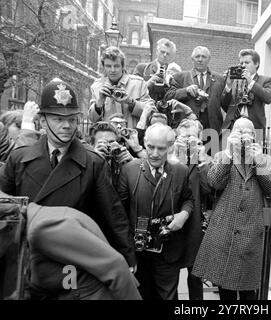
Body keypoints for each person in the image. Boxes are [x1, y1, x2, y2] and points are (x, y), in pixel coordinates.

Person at [0, 78, 136, 269]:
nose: (67, 125)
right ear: (42, 122)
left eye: (71, 119)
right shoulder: (18, 159)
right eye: (58, 119)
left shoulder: (93, 162)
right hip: (28, 258)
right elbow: (4, 209)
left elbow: (112, 213)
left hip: (71, 261)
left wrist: (127, 257)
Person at [192, 117, 271, 300]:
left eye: (247, 132)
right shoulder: (222, 157)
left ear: (255, 136)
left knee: (249, 292)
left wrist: (258, 160)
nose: (243, 136)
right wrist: (227, 152)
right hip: (224, 232)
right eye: (238, 131)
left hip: (250, 234)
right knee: (225, 290)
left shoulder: (265, 160)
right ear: (231, 134)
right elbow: (214, 183)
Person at [0, 190, 141, 300]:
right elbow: (55, 275)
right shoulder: (31, 226)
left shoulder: (42, 229)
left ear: (6, 223)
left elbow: (115, 267)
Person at [118, 123, 194, 300]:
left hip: (168, 252)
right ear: (144, 143)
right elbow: (119, 214)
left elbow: (189, 199)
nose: (154, 153)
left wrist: (184, 214)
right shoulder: (129, 170)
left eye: (161, 148)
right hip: (138, 252)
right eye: (150, 147)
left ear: (170, 147)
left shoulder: (180, 171)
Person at [171, 119, 212, 300]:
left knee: (195, 276)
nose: (188, 141)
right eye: (184, 137)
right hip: (173, 219)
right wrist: (173, 154)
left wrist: (202, 162)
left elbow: (208, 189)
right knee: (170, 275)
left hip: (195, 223)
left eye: (192, 137)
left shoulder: (204, 159)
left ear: (199, 139)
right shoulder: (168, 157)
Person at [165, 46, 230, 134]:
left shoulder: (219, 79)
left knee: (213, 148)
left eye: (204, 57)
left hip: (213, 129)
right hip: (187, 128)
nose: (200, 59)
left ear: (209, 59)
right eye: (197, 57)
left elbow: (226, 105)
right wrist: (185, 91)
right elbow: (168, 97)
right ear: (192, 59)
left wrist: (228, 87)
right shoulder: (180, 77)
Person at [88, 46, 155, 128]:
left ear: (123, 66)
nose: (112, 70)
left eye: (116, 66)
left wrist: (131, 102)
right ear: (103, 67)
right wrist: (100, 102)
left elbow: (151, 112)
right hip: (108, 137)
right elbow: (92, 119)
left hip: (133, 136)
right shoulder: (97, 86)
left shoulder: (138, 83)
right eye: (108, 66)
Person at [222, 49, 271, 133]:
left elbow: (269, 98)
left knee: (253, 147)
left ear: (256, 64)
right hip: (232, 127)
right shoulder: (234, 81)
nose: (243, 66)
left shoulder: (265, 80)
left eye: (247, 63)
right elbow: (225, 106)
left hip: (254, 127)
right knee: (228, 146)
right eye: (241, 63)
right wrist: (228, 86)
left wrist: (251, 82)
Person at [133, 38, 179, 103]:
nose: (165, 55)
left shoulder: (174, 72)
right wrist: (149, 83)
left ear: (171, 56)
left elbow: (176, 97)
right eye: (162, 52)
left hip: (164, 110)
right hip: (145, 108)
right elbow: (133, 90)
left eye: (168, 54)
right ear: (157, 51)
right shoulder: (142, 68)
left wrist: (171, 81)